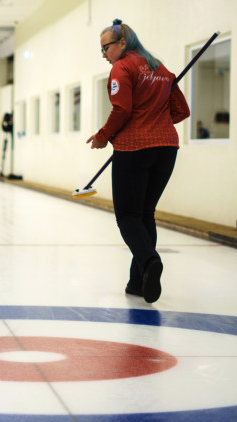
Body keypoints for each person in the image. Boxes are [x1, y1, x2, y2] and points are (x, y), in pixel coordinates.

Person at [85, 19, 190, 303]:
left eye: (106, 48)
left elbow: (122, 109)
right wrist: (156, 119)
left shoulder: (123, 68)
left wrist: (103, 136)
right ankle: (137, 281)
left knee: (128, 216)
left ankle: (150, 261)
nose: (104, 54)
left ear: (122, 44)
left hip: (134, 150)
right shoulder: (160, 67)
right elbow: (181, 110)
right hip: (166, 148)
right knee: (145, 214)